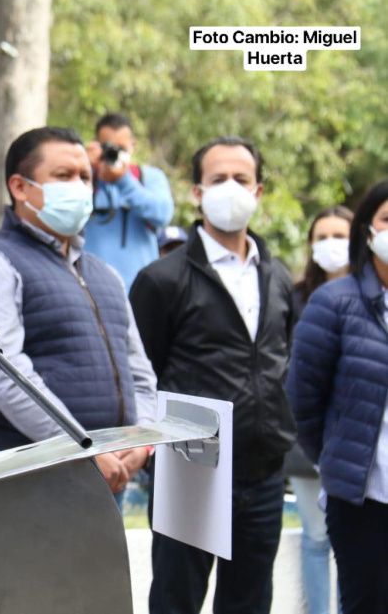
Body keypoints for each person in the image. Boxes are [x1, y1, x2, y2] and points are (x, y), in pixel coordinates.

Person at [130, 136, 296, 614]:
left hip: (263, 473)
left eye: (241, 179)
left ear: (259, 191)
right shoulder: (162, 279)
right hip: (192, 469)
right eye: (218, 178)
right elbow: (143, 372)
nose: (230, 188)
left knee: (249, 601)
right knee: (176, 600)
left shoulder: (278, 277)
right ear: (197, 192)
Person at [0, 126, 156, 499]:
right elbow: (6, 375)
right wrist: (80, 445)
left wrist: (140, 441)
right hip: (26, 474)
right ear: (20, 187)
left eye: (85, 178)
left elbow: (140, 373)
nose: (79, 187)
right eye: (63, 176)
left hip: (110, 472)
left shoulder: (103, 274)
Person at [287, 180, 388, 614]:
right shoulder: (334, 303)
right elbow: (302, 399)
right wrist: (335, 458)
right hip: (364, 500)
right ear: (368, 229)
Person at [285, 206, 352, 614]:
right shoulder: (295, 297)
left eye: (339, 235)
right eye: (321, 236)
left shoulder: (374, 295)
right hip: (305, 436)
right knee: (315, 536)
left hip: (358, 441)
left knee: (356, 542)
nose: (329, 245)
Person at [82, 112, 174, 288]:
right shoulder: (86, 179)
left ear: (133, 146)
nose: (115, 153)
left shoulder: (149, 177)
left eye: (121, 148)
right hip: (91, 287)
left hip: (140, 289)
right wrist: (84, 168)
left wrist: (123, 181)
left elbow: (163, 215)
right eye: (108, 147)